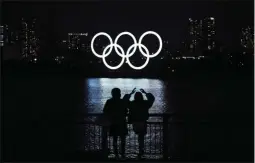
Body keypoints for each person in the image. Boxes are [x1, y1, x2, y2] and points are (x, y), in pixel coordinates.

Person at [103, 87, 136, 159]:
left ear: (112, 94)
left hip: (113, 123)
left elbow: (105, 111)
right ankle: (123, 154)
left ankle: (116, 154)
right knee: (123, 139)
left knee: (115, 139)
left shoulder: (109, 101)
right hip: (122, 122)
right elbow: (127, 109)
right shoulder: (122, 102)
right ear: (119, 94)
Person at [128, 89, 155, 159]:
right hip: (143, 122)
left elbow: (125, 101)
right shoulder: (145, 103)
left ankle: (140, 150)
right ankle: (141, 150)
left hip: (135, 122)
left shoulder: (132, 104)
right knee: (141, 137)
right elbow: (152, 98)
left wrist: (130, 93)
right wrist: (145, 92)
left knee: (139, 136)